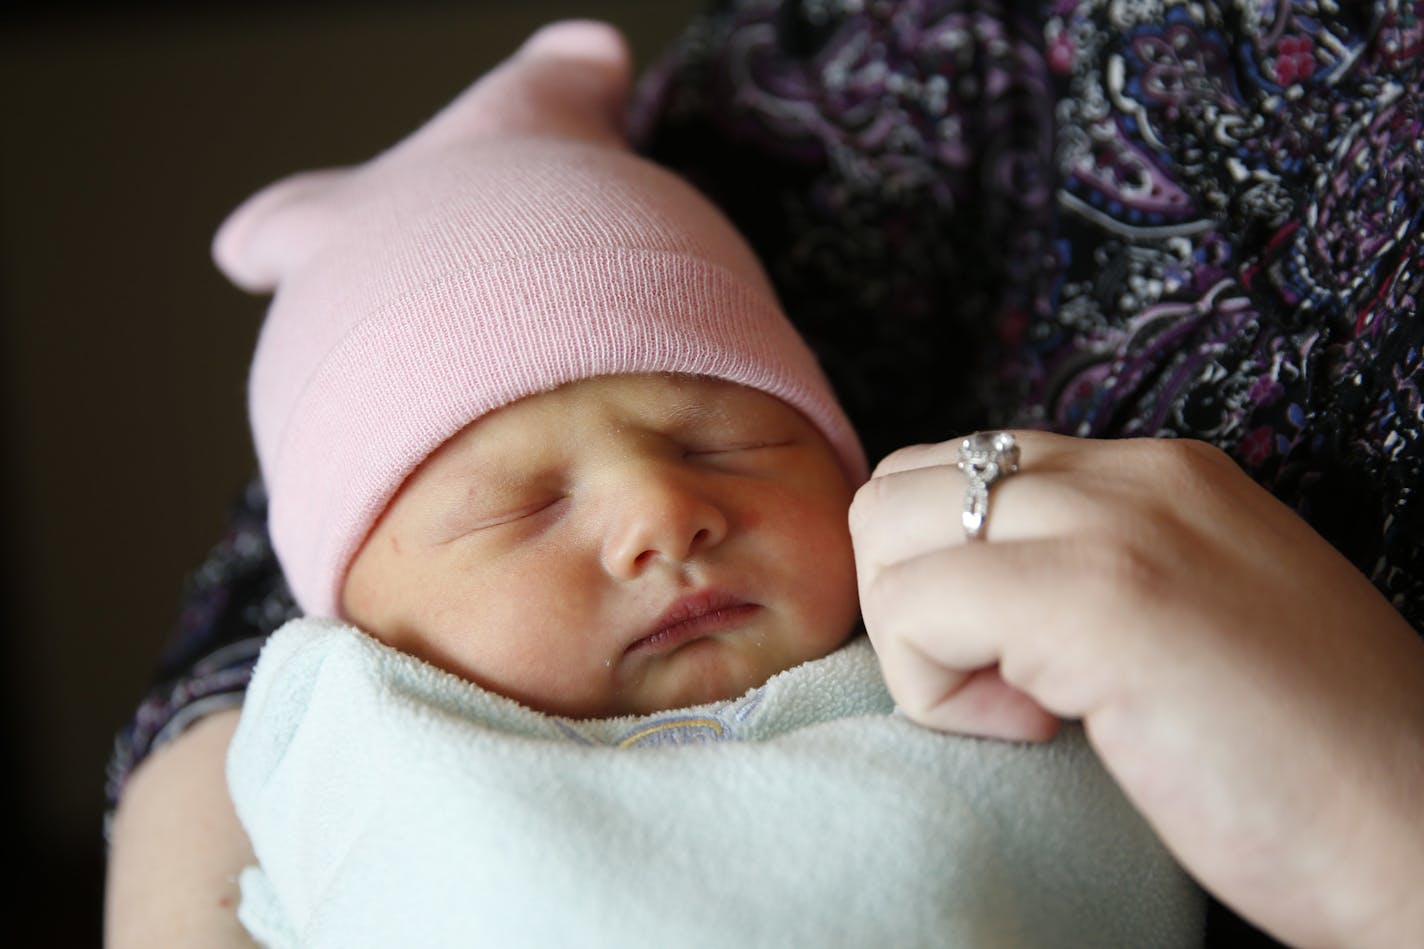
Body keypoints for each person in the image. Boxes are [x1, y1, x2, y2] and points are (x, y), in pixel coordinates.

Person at [105, 1, 1424, 947]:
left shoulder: (978, 689)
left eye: (724, 439)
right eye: (521, 503)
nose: (662, 509)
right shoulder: (345, 742)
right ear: (348, 607)